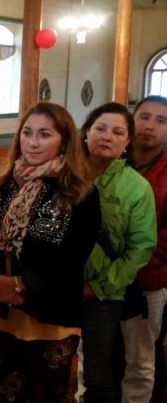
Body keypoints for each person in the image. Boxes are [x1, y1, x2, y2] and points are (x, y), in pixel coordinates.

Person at [0, 102, 101, 402]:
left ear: (65, 141)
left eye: (44, 134)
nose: (32, 142)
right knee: (7, 391)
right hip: (0, 310)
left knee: (46, 395)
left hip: (50, 311)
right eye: (27, 133)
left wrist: (20, 285)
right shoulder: (1, 184)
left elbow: (72, 257)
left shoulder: (79, 191)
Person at [79, 102, 156, 403]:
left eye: (117, 132)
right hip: (60, 287)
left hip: (102, 293)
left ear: (127, 142)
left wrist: (97, 288)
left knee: (98, 371)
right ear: (86, 132)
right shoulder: (63, 174)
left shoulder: (136, 187)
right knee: (55, 358)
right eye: (100, 128)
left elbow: (140, 249)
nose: (107, 136)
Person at [122, 96, 167, 402]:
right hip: (100, 278)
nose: (150, 126)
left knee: (139, 359)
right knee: (97, 352)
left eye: (161, 121)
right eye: (145, 117)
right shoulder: (114, 160)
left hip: (148, 276)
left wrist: (133, 261)